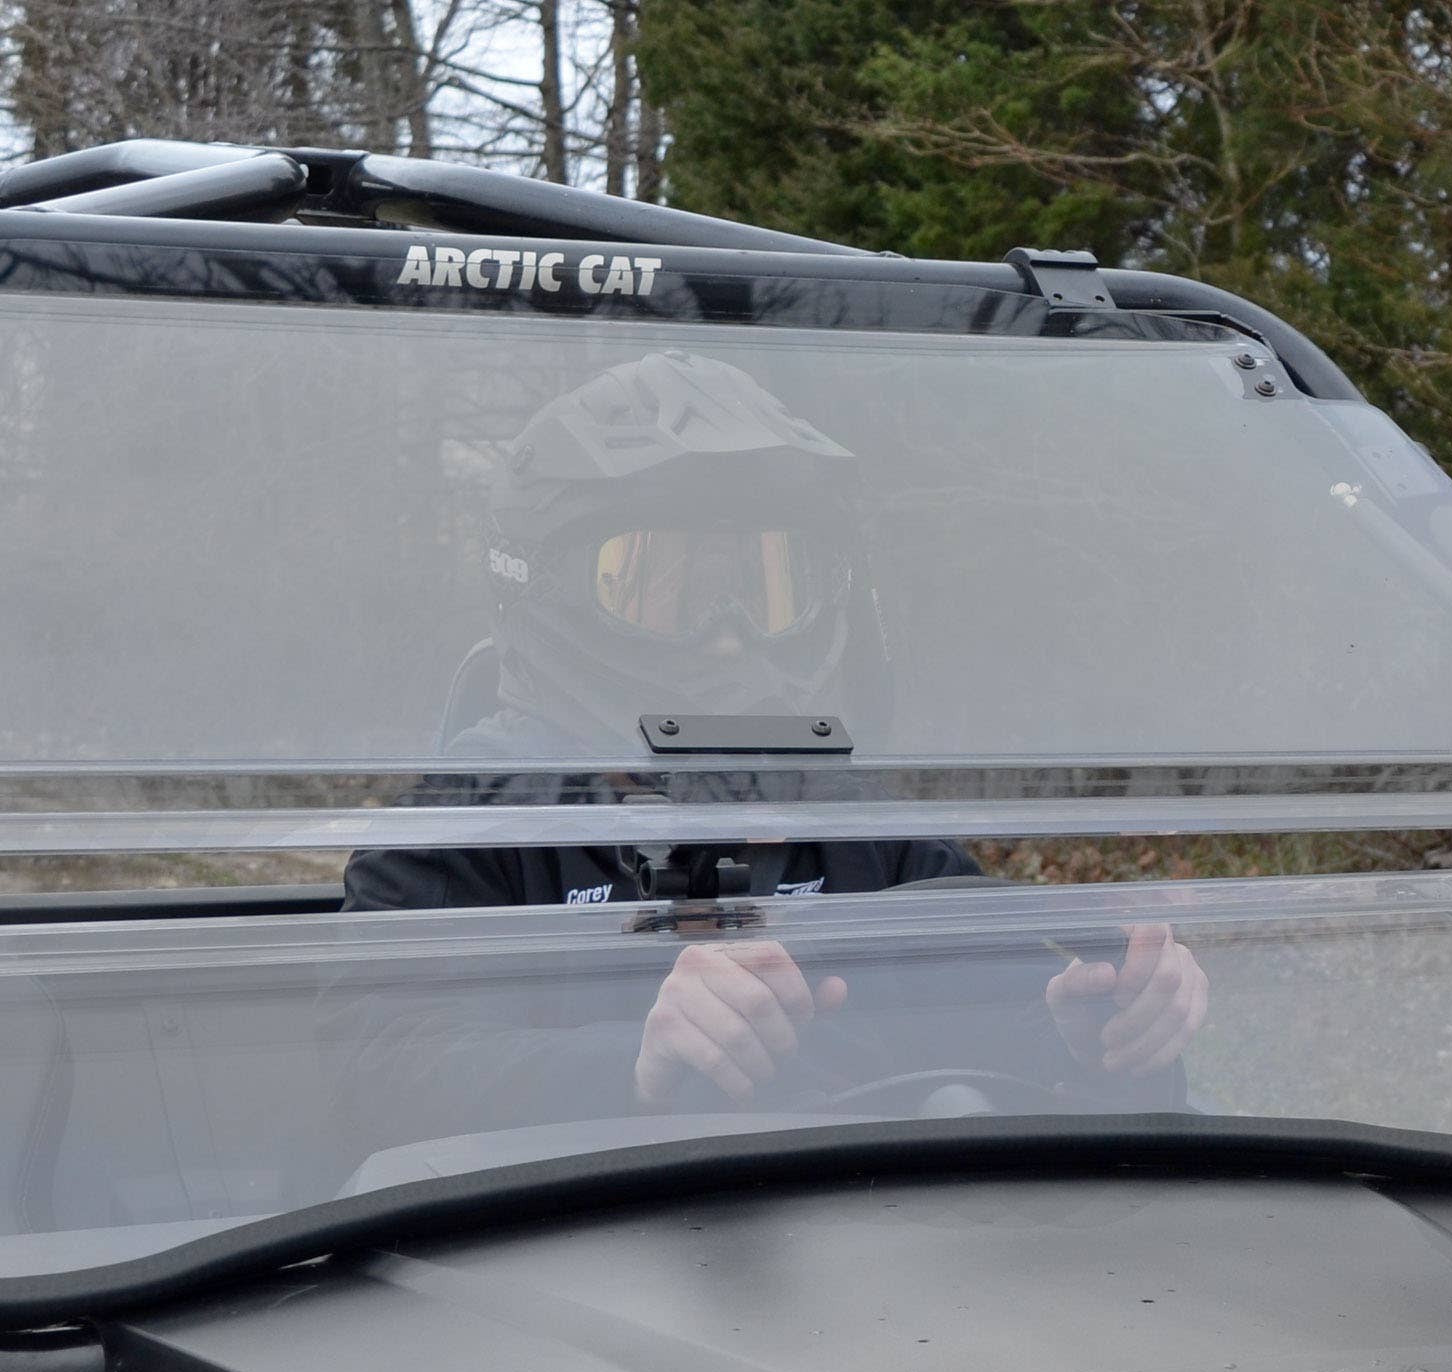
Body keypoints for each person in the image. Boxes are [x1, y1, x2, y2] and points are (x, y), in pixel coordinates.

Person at [329, 350, 1205, 1141]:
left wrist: (1089, 1037)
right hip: (548, 1263)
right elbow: (361, 1069)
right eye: (664, 585)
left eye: (767, 586)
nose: (727, 635)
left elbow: (981, 994)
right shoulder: (468, 824)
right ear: (547, 589)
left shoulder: (851, 819)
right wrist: (627, 1062)